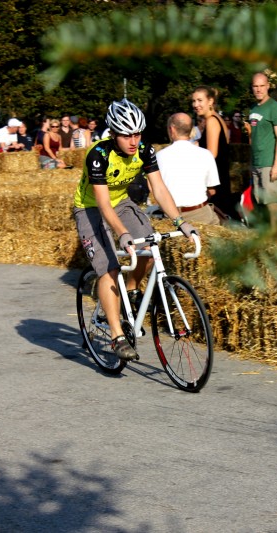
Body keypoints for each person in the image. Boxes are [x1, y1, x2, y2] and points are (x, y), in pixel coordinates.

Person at [72, 99, 196, 361]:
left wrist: (180, 222)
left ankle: (129, 291)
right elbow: (103, 205)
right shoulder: (98, 155)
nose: (133, 140)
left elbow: (159, 190)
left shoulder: (145, 151)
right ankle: (117, 336)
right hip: (91, 207)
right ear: (114, 133)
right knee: (109, 268)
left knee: (149, 248)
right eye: (127, 134)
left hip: (122, 203)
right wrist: (122, 234)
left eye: (137, 133)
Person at [156, 112, 222, 225]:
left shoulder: (159, 156)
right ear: (192, 130)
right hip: (201, 216)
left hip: (170, 217)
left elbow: (154, 189)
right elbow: (212, 190)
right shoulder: (206, 154)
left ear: (172, 129)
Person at [248, 72, 277, 229]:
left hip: (269, 162)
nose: (258, 89)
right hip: (257, 162)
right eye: (255, 86)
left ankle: (276, 238)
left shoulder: (274, 107)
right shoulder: (253, 109)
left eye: (262, 86)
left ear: (268, 86)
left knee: (272, 202)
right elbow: (254, 137)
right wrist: (251, 164)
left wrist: (276, 164)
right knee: (259, 200)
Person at [192, 85, 233, 218]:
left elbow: (211, 155)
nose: (196, 104)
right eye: (194, 101)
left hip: (215, 179)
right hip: (219, 176)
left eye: (199, 100)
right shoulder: (217, 119)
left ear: (210, 101)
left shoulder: (211, 121)